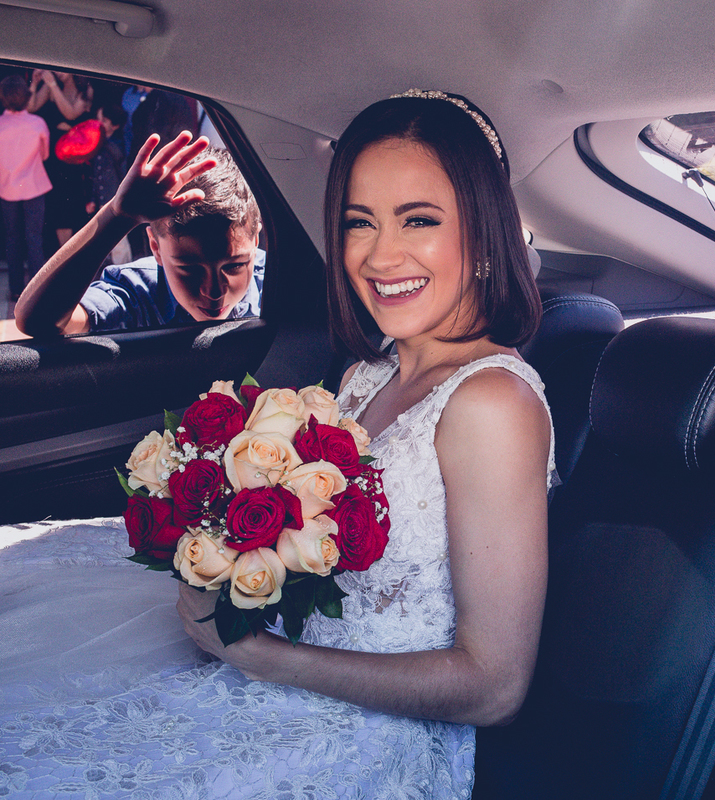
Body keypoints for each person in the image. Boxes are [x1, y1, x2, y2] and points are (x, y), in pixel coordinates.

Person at [0, 90, 553, 798]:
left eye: (418, 219)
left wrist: (262, 657)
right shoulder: (369, 371)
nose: (382, 255)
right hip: (288, 674)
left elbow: (493, 687)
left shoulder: (492, 402)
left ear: (482, 230)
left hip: (364, 733)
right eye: (359, 222)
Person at [14, 135, 264, 335]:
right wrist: (116, 217)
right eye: (190, 269)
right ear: (155, 247)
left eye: (235, 266)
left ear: (255, 242)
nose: (214, 292)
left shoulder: (278, 280)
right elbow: (38, 322)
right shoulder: (136, 294)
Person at [0, 74, 51, 302]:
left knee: (11, 238)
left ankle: (14, 289)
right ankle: (37, 288)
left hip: (7, 188)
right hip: (34, 185)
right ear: (27, 97)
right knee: (34, 238)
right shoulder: (38, 124)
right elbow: (45, 154)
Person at [29, 70, 93, 248]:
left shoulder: (84, 89)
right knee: (56, 203)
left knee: (71, 201)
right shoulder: (51, 87)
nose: (58, 72)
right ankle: (59, 251)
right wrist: (34, 84)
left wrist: (52, 85)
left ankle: (71, 251)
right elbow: (30, 108)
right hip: (52, 156)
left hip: (73, 156)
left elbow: (71, 114)